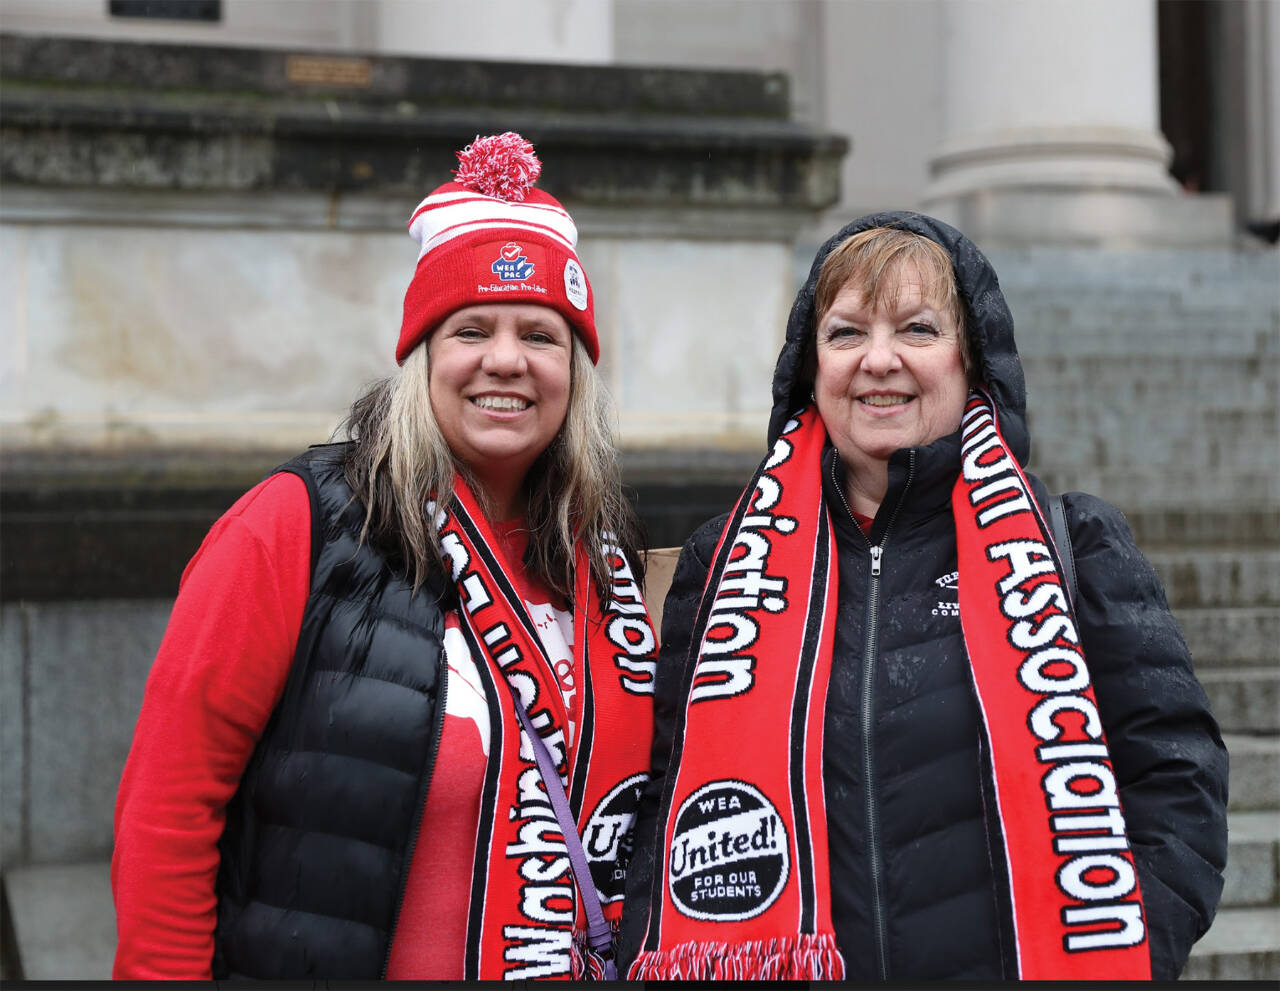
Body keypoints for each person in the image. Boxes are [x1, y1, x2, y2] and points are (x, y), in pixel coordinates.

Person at [620, 212, 1228, 980]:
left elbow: (1177, 777)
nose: (880, 360)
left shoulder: (1077, 542)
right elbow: (663, 800)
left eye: (916, 328)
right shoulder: (722, 561)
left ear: (971, 364)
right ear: (810, 370)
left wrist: (1133, 945)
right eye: (846, 334)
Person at [112, 133, 657, 980]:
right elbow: (169, 812)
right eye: (471, 328)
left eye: (541, 335)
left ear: (575, 371)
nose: (506, 360)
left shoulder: (608, 563)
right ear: (422, 356)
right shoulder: (296, 526)